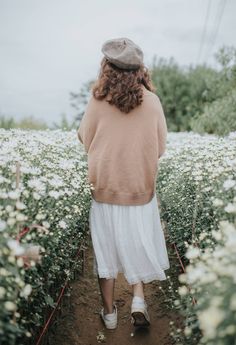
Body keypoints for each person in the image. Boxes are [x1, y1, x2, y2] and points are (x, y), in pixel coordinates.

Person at [77, 37, 170, 330]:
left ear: (106, 67)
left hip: (104, 188)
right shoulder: (152, 101)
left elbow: (84, 138)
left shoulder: (96, 100)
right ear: (139, 70)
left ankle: (109, 314)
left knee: (105, 250)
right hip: (140, 189)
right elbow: (161, 146)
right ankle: (139, 300)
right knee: (137, 243)